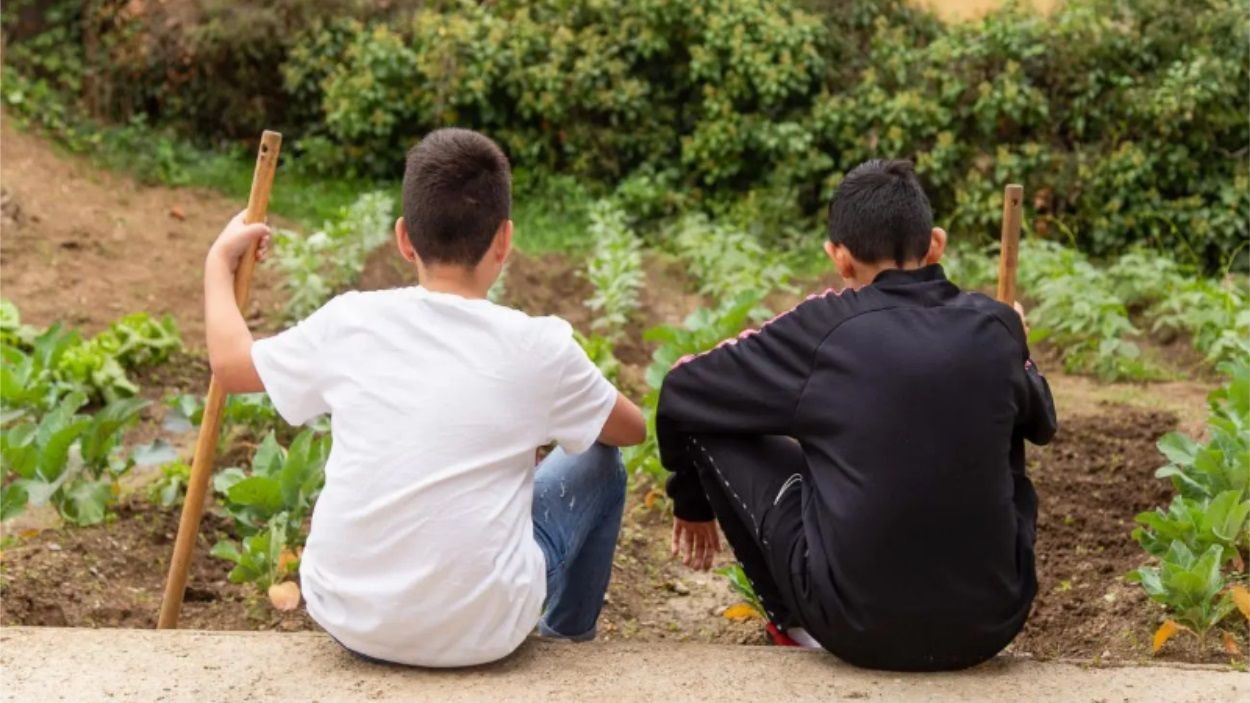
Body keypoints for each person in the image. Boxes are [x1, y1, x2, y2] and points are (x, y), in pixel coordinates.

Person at [202, 128, 646, 667]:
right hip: (487, 632)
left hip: (351, 618)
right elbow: (629, 430)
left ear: (404, 238)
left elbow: (230, 366)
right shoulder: (540, 346)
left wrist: (218, 264)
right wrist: (531, 433)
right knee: (600, 461)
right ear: (504, 240)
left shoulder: (352, 322)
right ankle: (568, 638)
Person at [656, 159, 1057, 671]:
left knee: (711, 422)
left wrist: (691, 503)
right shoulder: (995, 325)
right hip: (991, 624)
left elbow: (682, 389)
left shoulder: (824, 328)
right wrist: (1018, 346)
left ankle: (793, 624)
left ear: (840, 259)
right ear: (936, 244)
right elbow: (1041, 422)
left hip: (853, 627)